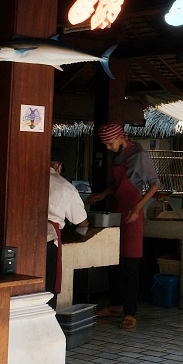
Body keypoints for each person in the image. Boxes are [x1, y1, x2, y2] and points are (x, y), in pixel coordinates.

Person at [88, 123, 160, 330]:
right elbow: (119, 183)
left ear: (120, 137)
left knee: (130, 265)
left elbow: (155, 183)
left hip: (132, 213)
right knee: (114, 261)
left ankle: (130, 313)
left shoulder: (139, 155)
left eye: (110, 143)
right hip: (117, 211)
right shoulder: (118, 153)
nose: (109, 148)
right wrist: (103, 194)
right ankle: (115, 305)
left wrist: (138, 207)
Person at [47, 147, 88, 307]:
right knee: (48, 285)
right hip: (49, 238)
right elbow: (82, 222)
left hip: (24, 234)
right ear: (59, 165)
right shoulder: (66, 188)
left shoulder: (27, 178)